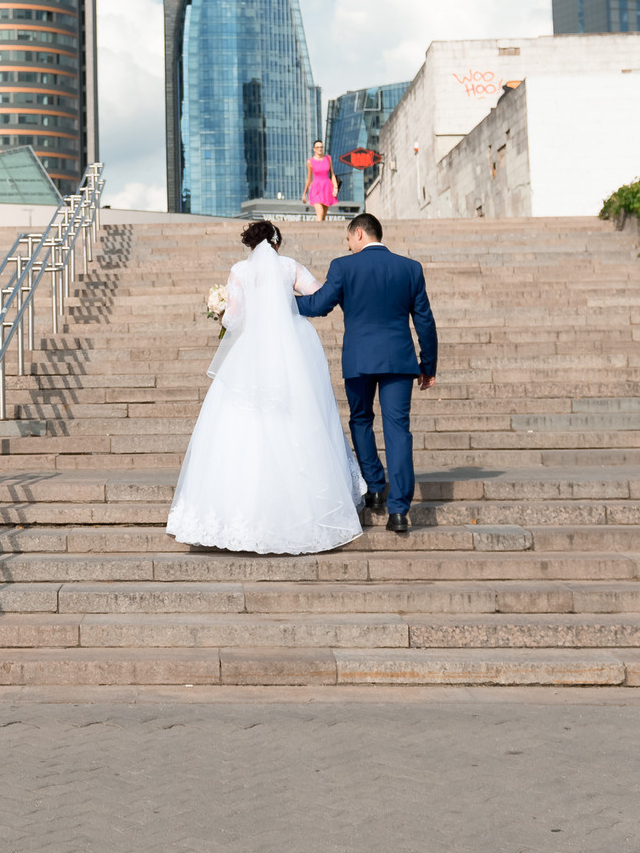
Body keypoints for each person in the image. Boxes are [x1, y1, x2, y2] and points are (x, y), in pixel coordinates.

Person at [165, 220, 364, 555]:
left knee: (241, 423)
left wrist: (222, 310)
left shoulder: (241, 271)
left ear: (251, 244)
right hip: (291, 353)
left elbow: (234, 319)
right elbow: (319, 295)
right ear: (276, 243)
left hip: (250, 355)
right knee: (298, 418)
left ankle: (234, 517)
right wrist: (284, 307)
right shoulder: (289, 267)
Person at [294, 212, 437, 534]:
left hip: (358, 359)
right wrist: (428, 365)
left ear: (358, 233)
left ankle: (375, 485)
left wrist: (281, 302)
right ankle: (399, 510)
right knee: (398, 430)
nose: (348, 247)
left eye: (348, 240)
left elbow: (318, 305)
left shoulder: (344, 267)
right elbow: (425, 320)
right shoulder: (410, 268)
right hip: (400, 361)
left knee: (360, 420)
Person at [305, 141, 338, 223]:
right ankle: (317, 233)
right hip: (316, 188)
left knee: (323, 215)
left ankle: (321, 234)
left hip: (327, 188)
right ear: (314, 149)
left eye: (321, 147)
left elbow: (332, 174)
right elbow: (309, 178)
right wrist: (304, 193)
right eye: (317, 147)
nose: (320, 149)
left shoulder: (328, 159)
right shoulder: (310, 162)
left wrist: (335, 187)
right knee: (320, 213)